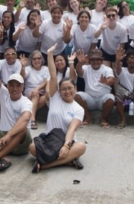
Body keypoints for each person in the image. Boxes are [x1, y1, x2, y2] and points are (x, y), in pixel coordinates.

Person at [29, 44, 87, 173]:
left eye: (70, 88)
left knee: (81, 146)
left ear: (75, 89)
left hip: (67, 141)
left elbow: (72, 129)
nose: (67, 91)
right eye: (64, 89)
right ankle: (68, 160)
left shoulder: (79, 109)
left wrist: (66, 146)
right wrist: (49, 54)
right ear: (59, 91)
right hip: (49, 140)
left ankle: (45, 165)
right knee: (32, 147)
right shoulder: (55, 98)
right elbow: (53, 75)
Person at [0, 45, 33, 175]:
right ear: (7, 86)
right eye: (11, 85)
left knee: (22, 128)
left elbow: (25, 118)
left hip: (21, 144)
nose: (14, 88)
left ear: (22, 87)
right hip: (3, 141)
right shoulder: (4, 94)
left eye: (18, 86)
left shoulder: (26, 102)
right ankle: (3, 157)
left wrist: (9, 136)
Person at [74, 49, 116, 128]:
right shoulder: (86, 68)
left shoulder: (107, 69)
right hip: (90, 99)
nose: (95, 62)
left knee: (111, 98)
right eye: (93, 60)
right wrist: (80, 62)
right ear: (89, 60)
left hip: (103, 99)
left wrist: (106, 81)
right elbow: (79, 71)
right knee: (77, 95)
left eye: (98, 59)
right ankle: (88, 118)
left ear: (101, 60)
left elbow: (112, 79)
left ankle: (103, 119)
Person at [21, 51, 49, 130]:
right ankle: (32, 120)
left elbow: (45, 82)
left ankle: (28, 114)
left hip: (41, 91)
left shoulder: (45, 69)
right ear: (31, 60)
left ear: (42, 59)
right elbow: (22, 77)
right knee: (35, 94)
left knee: (44, 98)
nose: (37, 60)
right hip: (29, 91)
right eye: (34, 59)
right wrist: (23, 67)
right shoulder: (28, 68)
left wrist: (37, 88)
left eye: (38, 58)